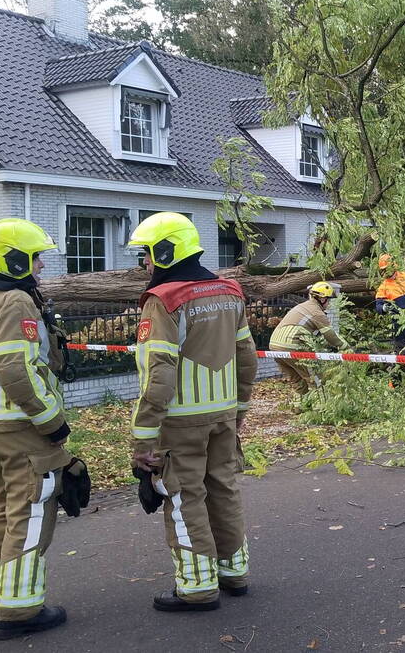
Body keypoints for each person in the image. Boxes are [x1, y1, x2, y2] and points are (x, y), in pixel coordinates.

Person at [127, 212, 258, 612]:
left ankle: (196, 587)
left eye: (147, 255)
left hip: (180, 422)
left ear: (166, 252)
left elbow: (159, 374)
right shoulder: (230, 291)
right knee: (224, 489)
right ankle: (233, 572)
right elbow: (247, 356)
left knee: (185, 498)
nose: (145, 264)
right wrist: (240, 407)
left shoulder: (163, 301)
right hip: (222, 417)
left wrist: (143, 434)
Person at [0, 219, 72, 640]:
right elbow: (16, 368)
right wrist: (51, 423)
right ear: (14, 259)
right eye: (35, 258)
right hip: (21, 427)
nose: (40, 266)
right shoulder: (13, 301)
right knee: (31, 511)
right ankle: (20, 609)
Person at [269, 281, 349, 395]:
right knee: (315, 378)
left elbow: (317, 336)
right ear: (322, 299)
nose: (329, 304)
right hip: (292, 345)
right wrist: (346, 348)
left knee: (298, 381)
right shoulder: (317, 313)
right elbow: (330, 335)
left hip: (274, 346)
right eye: (329, 300)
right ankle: (320, 408)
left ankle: (299, 409)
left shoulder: (302, 307)